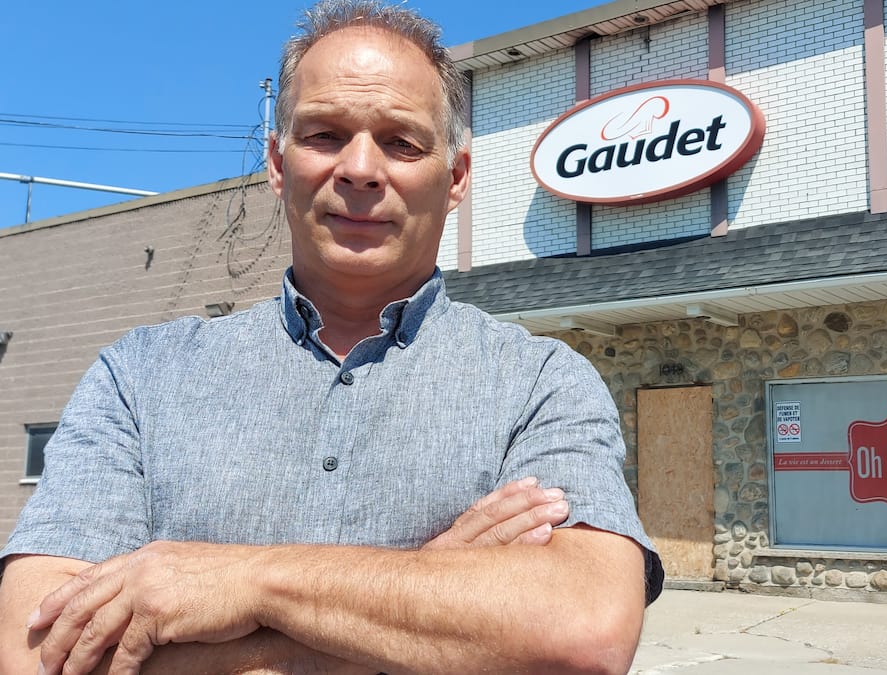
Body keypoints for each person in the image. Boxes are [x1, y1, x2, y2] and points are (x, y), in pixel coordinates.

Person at [0, 0, 662, 671]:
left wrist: (247, 582)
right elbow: (36, 655)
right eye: (324, 135)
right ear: (277, 163)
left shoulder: (540, 383)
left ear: (456, 177)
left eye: (402, 142)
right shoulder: (140, 377)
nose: (361, 168)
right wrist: (427, 594)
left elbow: (584, 630)